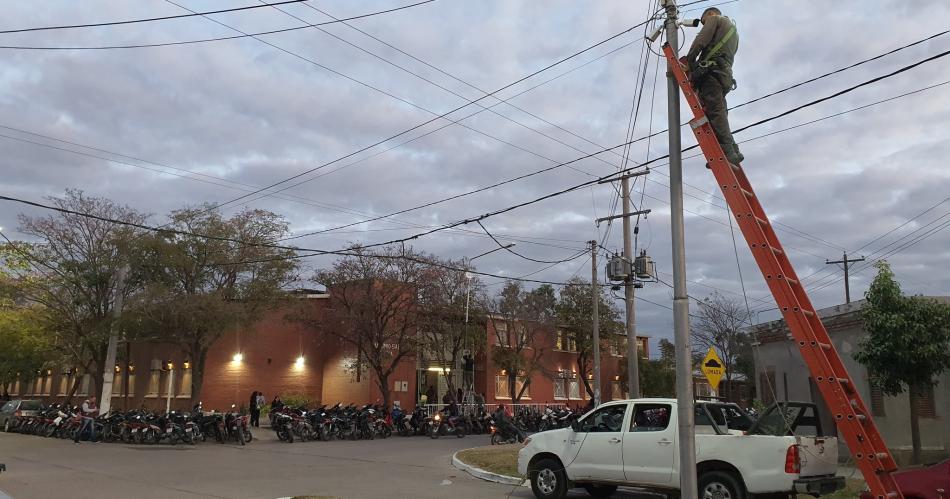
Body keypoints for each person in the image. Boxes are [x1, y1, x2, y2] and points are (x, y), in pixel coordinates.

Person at [682, 7, 742, 166]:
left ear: (709, 14)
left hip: (712, 74)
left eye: (703, 22)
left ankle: (728, 152)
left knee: (716, 113)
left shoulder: (715, 19)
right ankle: (733, 149)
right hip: (724, 76)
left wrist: (689, 61)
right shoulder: (734, 33)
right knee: (720, 113)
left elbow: (701, 39)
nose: (704, 25)